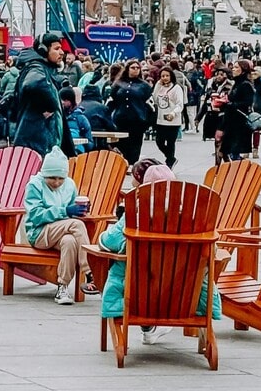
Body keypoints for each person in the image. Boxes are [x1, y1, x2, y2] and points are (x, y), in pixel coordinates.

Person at [98, 159, 221, 345]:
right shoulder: (196, 218)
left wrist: (101, 238)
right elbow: (213, 249)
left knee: (111, 266)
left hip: (139, 294)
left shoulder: (135, 214)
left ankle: (144, 328)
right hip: (185, 296)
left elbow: (109, 242)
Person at [22, 147, 98, 305]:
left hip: (62, 231)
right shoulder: (35, 185)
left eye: (60, 178)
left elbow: (70, 213)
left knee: (69, 241)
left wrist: (79, 211)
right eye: (52, 178)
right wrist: (65, 211)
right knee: (76, 225)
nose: (56, 182)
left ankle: (62, 288)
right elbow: (35, 216)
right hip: (39, 232)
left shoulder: (69, 185)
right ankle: (91, 271)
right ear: (44, 174)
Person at [13, 32, 68, 157]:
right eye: (56, 48)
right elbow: (33, 84)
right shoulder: (36, 68)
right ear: (43, 50)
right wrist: (50, 106)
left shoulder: (41, 68)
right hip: (38, 145)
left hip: (40, 145)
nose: (61, 52)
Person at [107, 59, 154, 165]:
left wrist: (148, 122)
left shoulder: (144, 86)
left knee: (135, 146)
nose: (135, 70)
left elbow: (151, 106)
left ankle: (132, 164)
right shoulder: (118, 84)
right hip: (121, 120)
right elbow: (110, 102)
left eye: (138, 68)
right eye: (133, 68)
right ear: (127, 69)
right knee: (121, 145)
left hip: (137, 121)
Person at [151, 67, 186, 168]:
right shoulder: (160, 87)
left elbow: (180, 104)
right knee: (159, 141)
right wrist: (158, 85)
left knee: (171, 143)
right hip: (161, 119)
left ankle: (170, 162)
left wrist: (173, 113)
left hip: (173, 121)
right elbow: (155, 99)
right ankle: (171, 158)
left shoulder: (176, 88)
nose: (165, 78)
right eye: (162, 76)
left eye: (167, 76)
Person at [61, 87, 93, 153]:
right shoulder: (58, 118)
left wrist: (81, 145)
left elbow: (90, 142)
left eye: (65, 100)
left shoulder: (80, 118)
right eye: (61, 100)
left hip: (77, 152)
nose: (62, 102)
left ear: (71, 101)